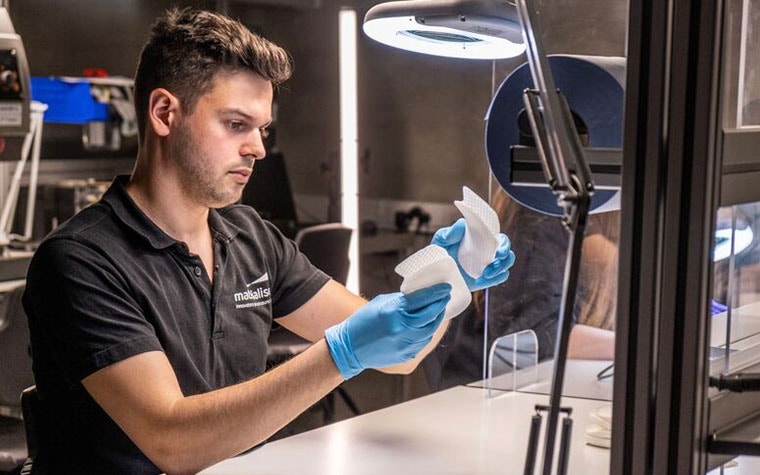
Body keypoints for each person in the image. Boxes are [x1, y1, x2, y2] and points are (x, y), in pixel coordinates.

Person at [21, 8, 514, 474]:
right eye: (236, 124)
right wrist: (340, 354)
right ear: (165, 113)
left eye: (262, 129)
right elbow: (172, 441)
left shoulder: (249, 235)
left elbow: (402, 354)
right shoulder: (81, 261)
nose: (258, 148)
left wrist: (450, 280)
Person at [429, 189, 617, 391]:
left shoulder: (574, 228)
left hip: (515, 387)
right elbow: (536, 335)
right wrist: (633, 346)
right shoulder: (536, 220)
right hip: (479, 395)